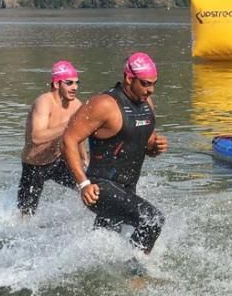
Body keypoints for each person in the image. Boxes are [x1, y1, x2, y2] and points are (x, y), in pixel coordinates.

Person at [61, 52, 169, 254]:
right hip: (100, 188)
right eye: (145, 84)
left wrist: (154, 147)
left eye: (154, 84)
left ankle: (84, 268)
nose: (150, 90)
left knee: (105, 242)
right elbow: (68, 139)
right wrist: (83, 184)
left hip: (127, 187)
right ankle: (135, 275)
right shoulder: (104, 104)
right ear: (129, 79)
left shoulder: (146, 104)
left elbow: (142, 142)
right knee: (152, 220)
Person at [18, 60, 86, 215]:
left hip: (58, 161)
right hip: (34, 165)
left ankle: (88, 224)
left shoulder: (76, 105)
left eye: (77, 83)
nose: (75, 87)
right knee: (25, 215)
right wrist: (68, 125)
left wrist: (84, 157)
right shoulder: (44, 102)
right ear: (56, 84)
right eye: (69, 83)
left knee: (87, 186)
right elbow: (36, 137)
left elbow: (78, 135)